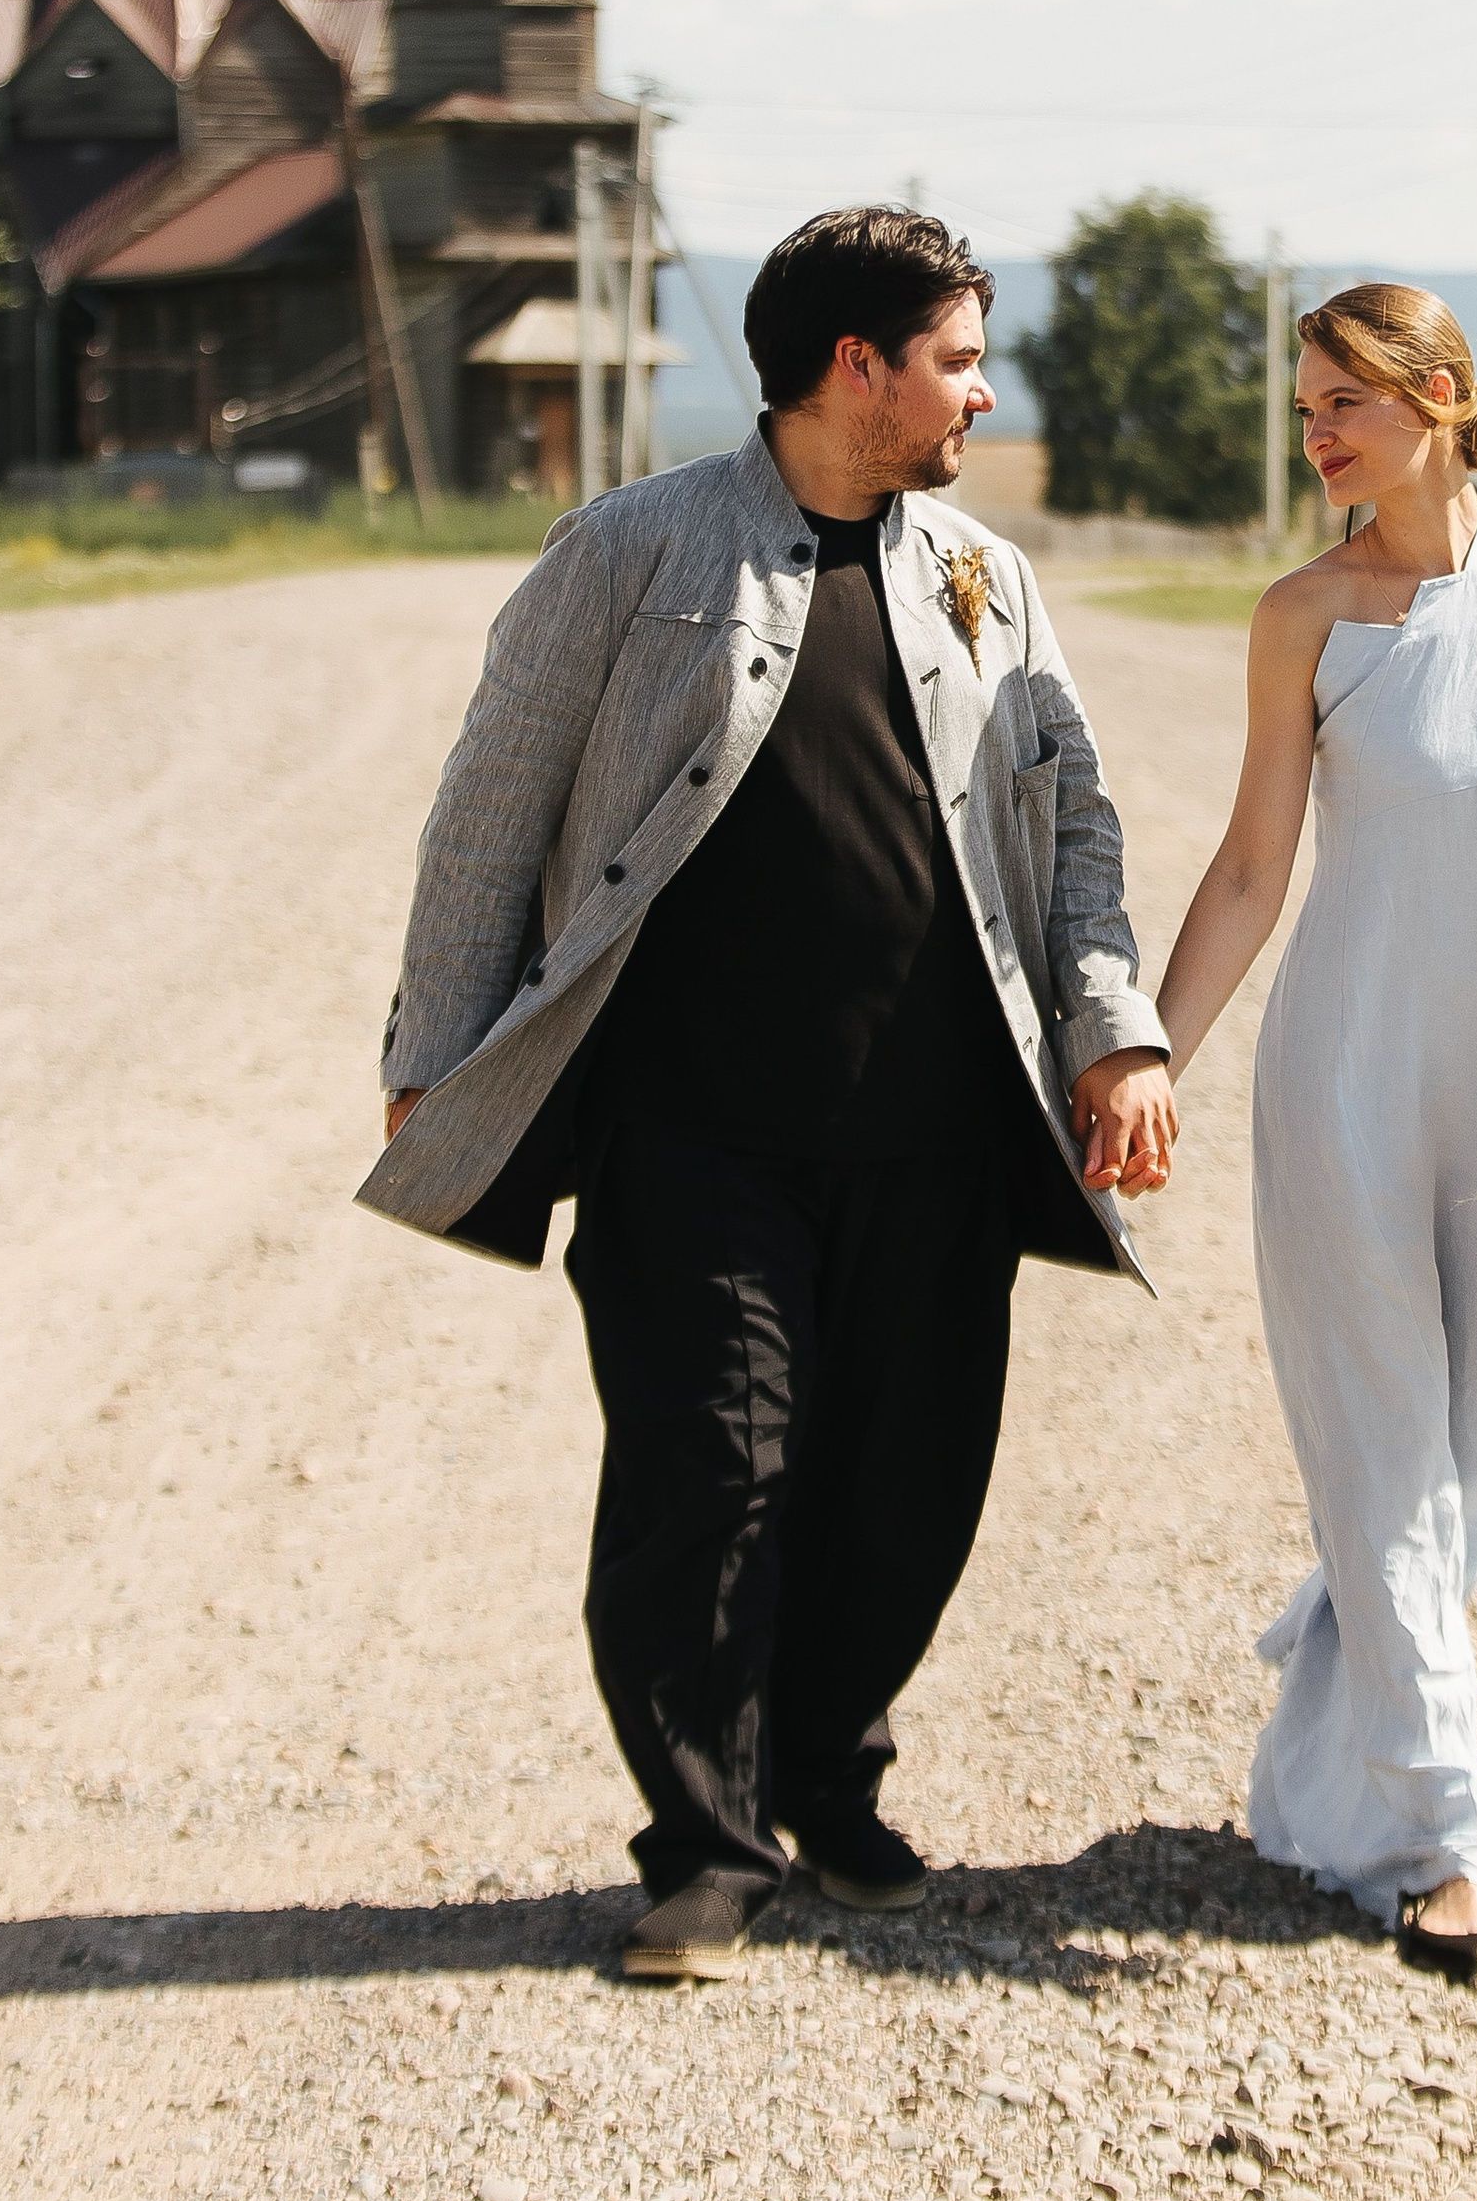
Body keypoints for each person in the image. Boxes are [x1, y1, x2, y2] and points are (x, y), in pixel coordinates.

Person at [361, 206, 1177, 1983]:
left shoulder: (986, 575)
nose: (982, 388)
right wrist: (436, 1051)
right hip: (692, 1134)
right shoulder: (635, 549)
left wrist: (1114, 1029)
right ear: (855, 367)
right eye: (958, 356)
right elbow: (493, 802)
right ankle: (708, 1844)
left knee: (907, 1485)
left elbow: (1076, 821)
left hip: (943, 1131)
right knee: (713, 1476)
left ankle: (828, 1773)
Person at [1153, 282, 1477, 1979]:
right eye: (1305, 410)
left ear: (1438, 397)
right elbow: (1247, 871)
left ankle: (1358, 1615)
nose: (1317, 437)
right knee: (1384, 1449)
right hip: (1347, 1085)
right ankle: (1454, 1842)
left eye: (1343, 405)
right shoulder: (1302, 614)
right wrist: (1144, 1063)